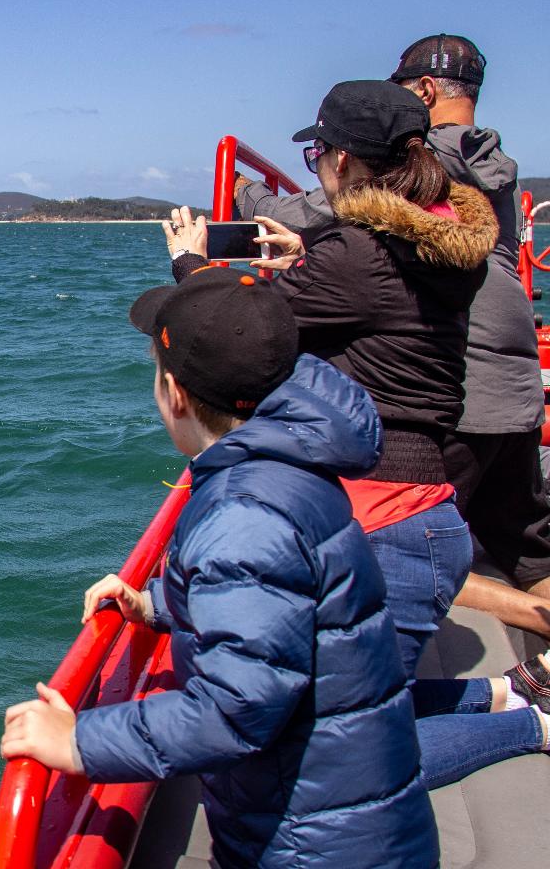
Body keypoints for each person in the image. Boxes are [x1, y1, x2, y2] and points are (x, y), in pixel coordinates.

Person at [165, 79, 548, 789]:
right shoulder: (436, 244)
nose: (313, 165)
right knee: (351, 704)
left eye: (315, 152)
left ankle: (535, 726)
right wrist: (301, 265)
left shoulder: (356, 255)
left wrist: (191, 266)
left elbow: (246, 335)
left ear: (342, 160)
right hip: (414, 505)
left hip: (384, 518)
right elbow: (365, 307)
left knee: (340, 759)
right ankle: (506, 694)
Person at [2, 267, 438, 867]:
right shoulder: (286, 462)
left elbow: (236, 708)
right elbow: (281, 603)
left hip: (308, 841)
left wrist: (80, 740)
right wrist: (159, 603)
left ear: (175, 394)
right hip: (347, 811)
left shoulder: (243, 515)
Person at [236, 34, 550, 642]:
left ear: (425, 93)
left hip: (465, 382)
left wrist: (250, 200)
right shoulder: (490, 171)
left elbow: (333, 215)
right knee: (529, 551)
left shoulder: (415, 161)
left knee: (412, 541)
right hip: (517, 381)